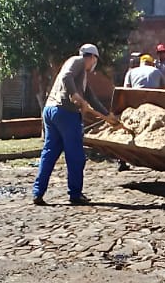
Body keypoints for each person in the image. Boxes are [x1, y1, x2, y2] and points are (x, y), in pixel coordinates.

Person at [32, 43, 109, 206]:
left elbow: (92, 98)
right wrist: (75, 95)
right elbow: (67, 77)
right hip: (65, 113)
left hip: (51, 111)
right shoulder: (78, 61)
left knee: (49, 153)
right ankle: (75, 194)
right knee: (76, 156)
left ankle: (38, 193)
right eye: (95, 59)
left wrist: (108, 116)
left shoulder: (82, 76)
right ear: (92, 57)